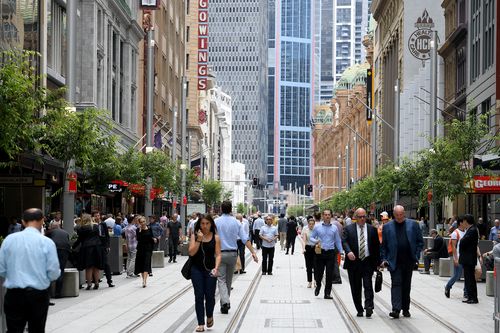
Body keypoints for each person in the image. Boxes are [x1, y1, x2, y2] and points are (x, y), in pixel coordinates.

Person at [0, 208, 60, 332]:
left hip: (14, 293)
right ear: (42, 220)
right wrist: (44, 279)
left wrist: (13, 276)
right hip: (38, 293)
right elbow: (54, 272)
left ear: (23, 222)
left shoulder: (9, 240)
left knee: (13, 329)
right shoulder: (47, 243)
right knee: (37, 329)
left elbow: (2, 269)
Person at [380, 205, 424, 318]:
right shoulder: (387, 227)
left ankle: (405, 308)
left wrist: (416, 255)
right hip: (394, 261)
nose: (399, 217)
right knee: (396, 284)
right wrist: (384, 259)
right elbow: (383, 246)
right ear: (393, 214)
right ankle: (396, 309)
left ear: (404, 213)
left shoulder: (413, 224)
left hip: (409, 261)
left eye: (401, 214)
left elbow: (420, 242)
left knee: (406, 285)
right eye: (397, 215)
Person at [215, 201, 258, 314]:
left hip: (220, 254)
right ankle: (225, 303)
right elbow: (245, 239)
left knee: (221, 279)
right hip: (233, 254)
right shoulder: (237, 223)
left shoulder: (216, 222)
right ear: (230, 210)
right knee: (228, 280)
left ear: (220, 209)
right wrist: (253, 252)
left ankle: (225, 302)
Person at [342, 208, 380, 318]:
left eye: (364, 216)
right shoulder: (348, 229)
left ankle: (369, 307)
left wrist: (378, 262)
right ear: (355, 217)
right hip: (354, 262)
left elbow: (376, 246)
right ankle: (359, 308)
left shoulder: (372, 229)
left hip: (367, 261)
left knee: (368, 285)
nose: (363, 219)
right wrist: (348, 252)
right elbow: (344, 241)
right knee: (356, 287)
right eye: (360, 217)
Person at [189, 215, 221, 333]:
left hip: (210, 270)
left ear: (211, 224)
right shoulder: (195, 236)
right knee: (198, 296)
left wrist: (216, 268)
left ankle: (210, 315)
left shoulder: (216, 238)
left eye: (207, 223)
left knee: (210, 296)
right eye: (202, 223)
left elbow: (218, 254)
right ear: (199, 224)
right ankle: (200, 323)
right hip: (196, 270)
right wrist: (198, 239)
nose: (205, 226)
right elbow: (191, 253)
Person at [310, 209, 343, 299]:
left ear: (331, 216)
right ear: (322, 216)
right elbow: (311, 237)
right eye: (325, 215)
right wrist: (316, 241)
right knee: (319, 273)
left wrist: (341, 252)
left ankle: (327, 293)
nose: (327, 216)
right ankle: (318, 286)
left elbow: (338, 241)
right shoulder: (317, 227)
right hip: (320, 252)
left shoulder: (334, 228)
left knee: (329, 274)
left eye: (329, 215)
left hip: (331, 253)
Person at [73, 214, 104, 290]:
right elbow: (99, 237)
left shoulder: (81, 228)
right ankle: (96, 283)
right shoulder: (95, 226)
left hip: (87, 248)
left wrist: (73, 246)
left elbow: (80, 240)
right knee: (96, 266)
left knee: (88, 267)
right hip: (97, 247)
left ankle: (89, 284)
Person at [46, 221, 71, 298]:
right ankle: (58, 293)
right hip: (64, 251)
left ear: (52, 227)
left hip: (54, 250)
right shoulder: (65, 233)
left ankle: (49, 294)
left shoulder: (50, 232)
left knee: (49, 270)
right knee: (61, 270)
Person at [459, 214, 479, 304]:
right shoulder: (470, 230)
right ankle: (471, 297)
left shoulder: (472, 230)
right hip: (468, 259)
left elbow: (463, 242)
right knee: (468, 279)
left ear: (466, 221)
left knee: (470, 279)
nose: (462, 223)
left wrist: (462, 240)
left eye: (463, 221)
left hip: (469, 259)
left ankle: (473, 298)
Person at [445, 219, 467, 298]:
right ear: (461, 223)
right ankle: (448, 286)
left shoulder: (466, 231)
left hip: (466, 257)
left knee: (467, 275)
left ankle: (466, 292)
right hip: (458, 257)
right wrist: (455, 258)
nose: (466, 223)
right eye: (465, 222)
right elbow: (454, 247)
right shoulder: (455, 233)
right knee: (457, 275)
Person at [94, 211, 114, 287]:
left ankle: (109, 281)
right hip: (95, 246)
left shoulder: (103, 224)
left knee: (106, 263)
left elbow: (107, 235)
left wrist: (108, 245)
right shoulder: (92, 225)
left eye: (98, 215)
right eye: (95, 216)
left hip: (103, 246)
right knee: (95, 263)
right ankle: (96, 281)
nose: (97, 217)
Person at [135, 216, 155, 288]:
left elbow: (152, 237)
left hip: (148, 249)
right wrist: (140, 230)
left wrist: (154, 240)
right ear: (139, 223)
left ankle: (144, 281)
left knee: (146, 263)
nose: (143, 223)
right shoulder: (138, 230)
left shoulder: (149, 228)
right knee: (141, 264)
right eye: (141, 222)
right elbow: (138, 239)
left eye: (144, 221)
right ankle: (143, 279)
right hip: (140, 249)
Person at [301, 217, 316, 288]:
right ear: (308, 224)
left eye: (312, 224)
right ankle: (310, 281)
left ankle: (316, 281)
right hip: (308, 248)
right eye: (310, 224)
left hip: (316, 249)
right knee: (308, 266)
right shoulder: (305, 230)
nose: (311, 225)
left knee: (316, 266)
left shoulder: (317, 230)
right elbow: (304, 240)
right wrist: (303, 249)